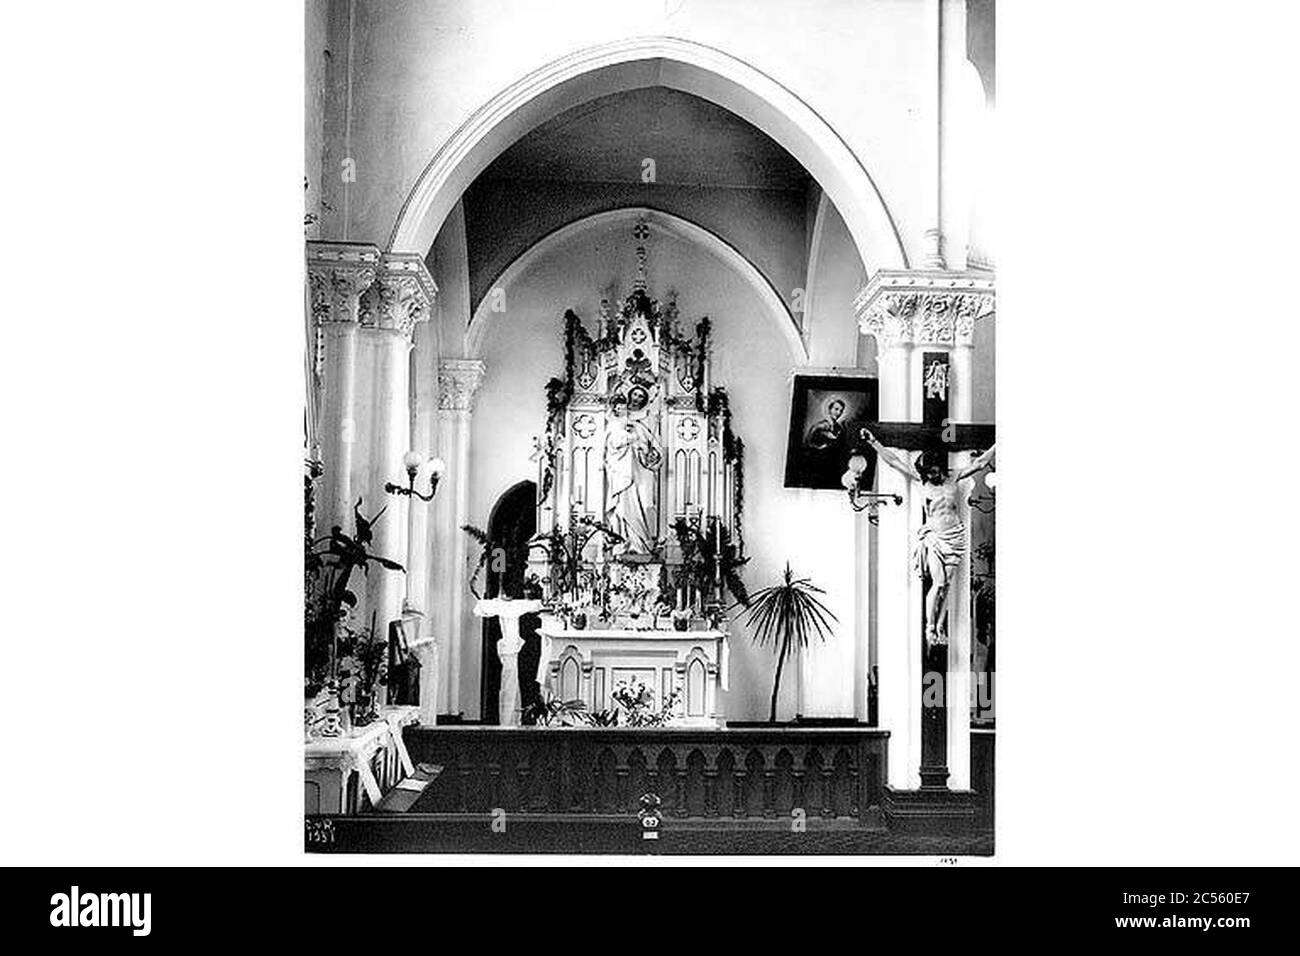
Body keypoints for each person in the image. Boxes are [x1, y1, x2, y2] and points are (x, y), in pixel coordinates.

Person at [863, 431, 996, 646]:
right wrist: (873, 442)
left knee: (947, 585)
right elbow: (894, 461)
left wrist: (998, 444)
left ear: (940, 468)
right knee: (939, 582)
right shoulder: (921, 481)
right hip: (934, 537)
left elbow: (980, 463)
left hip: (954, 536)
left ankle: (939, 626)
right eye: (929, 473)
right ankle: (930, 626)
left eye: (934, 472)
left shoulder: (953, 476)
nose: (932, 476)